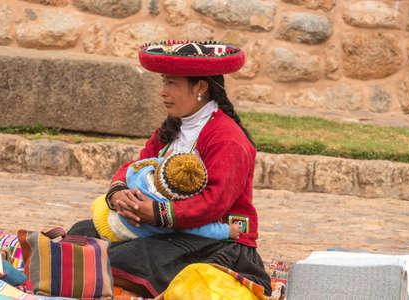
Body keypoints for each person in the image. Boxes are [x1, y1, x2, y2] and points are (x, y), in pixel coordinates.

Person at [68, 40, 272, 297]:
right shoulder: (173, 128)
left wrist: (156, 213)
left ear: (201, 87)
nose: (162, 92)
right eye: (164, 82)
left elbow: (213, 203)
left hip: (213, 241)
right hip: (162, 230)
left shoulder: (228, 139)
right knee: (81, 234)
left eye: (171, 83)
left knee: (123, 259)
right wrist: (119, 194)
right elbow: (137, 165)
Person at [91, 152, 242, 241]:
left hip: (107, 217)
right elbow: (200, 229)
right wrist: (228, 231)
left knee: (99, 203)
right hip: (124, 234)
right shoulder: (166, 205)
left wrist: (117, 191)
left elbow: (136, 165)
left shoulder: (141, 174)